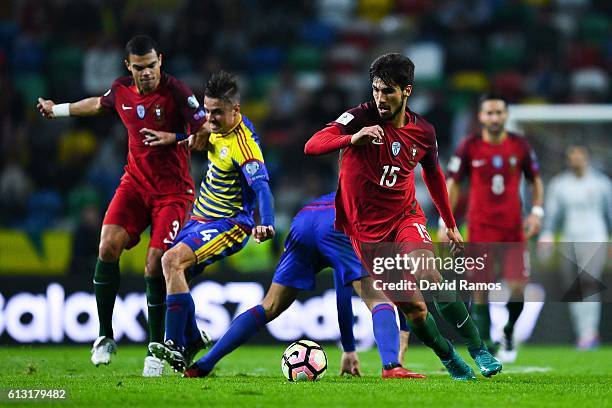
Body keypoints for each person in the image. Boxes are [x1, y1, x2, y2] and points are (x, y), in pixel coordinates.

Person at [304, 53, 501, 381]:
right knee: (414, 309)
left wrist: (449, 223)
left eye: (389, 91)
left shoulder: (423, 131)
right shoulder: (358, 117)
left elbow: (434, 174)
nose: (380, 99)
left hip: (404, 217)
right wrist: (353, 138)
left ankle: (479, 348)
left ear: (406, 91)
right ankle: (449, 357)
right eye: (376, 90)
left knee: (428, 274)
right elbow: (313, 144)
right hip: (366, 232)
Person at [36, 35, 209, 377]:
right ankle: (104, 336)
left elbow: (204, 135)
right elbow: (98, 104)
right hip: (134, 185)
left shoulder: (178, 92)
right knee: (107, 246)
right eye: (140, 68)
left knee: (154, 264)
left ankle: (157, 350)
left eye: (152, 66)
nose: (147, 74)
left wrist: (173, 138)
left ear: (161, 60)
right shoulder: (121, 90)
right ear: (128, 67)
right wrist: (56, 110)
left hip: (172, 193)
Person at [182, 192, 424, 379]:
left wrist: (349, 349)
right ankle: (392, 367)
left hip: (304, 220)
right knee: (379, 300)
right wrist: (398, 333)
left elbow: (342, 286)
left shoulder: (350, 192)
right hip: (338, 223)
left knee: (270, 305)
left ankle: (204, 364)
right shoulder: (384, 217)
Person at [145, 71, 276, 371]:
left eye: (217, 112)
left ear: (236, 110)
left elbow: (262, 187)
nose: (210, 117)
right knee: (171, 274)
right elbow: (203, 138)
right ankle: (190, 339)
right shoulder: (214, 127)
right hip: (200, 218)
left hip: (229, 224)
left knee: (171, 262)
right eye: (207, 109)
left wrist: (265, 221)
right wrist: (175, 138)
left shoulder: (245, 145)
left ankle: (174, 344)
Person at [441, 93, 544, 363]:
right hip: (480, 228)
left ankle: (509, 331)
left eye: (499, 113)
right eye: (489, 113)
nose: (494, 118)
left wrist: (536, 211)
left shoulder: (519, 145)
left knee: (519, 287)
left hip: (513, 229)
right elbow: (452, 183)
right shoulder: (469, 146)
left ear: (506, 115)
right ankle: (486, 345)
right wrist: (445, 220)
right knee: (479, 287)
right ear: (481, 116)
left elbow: (535, 180)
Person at [539, 146, 611, 350]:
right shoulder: (560, 185)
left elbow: (610, 213)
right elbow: (552, 215)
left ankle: (589, 333)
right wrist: (548, 234)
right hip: (570, 236)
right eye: (572, 157)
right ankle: (581, 331)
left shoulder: (601, 184)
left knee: (588, 283)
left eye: (579, 156)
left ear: (587, 157)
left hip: (595, 235)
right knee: (574, 287)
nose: (576, 160)